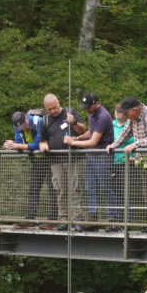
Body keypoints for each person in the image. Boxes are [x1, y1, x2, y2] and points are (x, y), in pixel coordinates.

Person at [107, 97, 147, 233]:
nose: (124, 115)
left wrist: (135, 144)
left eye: (126, 113)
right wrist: (113, 145)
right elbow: (125, 133)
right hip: (142, 159)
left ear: (134, 110)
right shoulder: (132, 118)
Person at [64, 93, 114, 230]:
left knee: (105, 187)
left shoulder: (103, 116)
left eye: (88, 106)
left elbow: (93, 141)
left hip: (102, 156)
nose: (86, 109)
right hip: (91, 157)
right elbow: (90, 132)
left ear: (96, 103)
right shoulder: (91, 113)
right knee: (90, 187)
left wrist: (73, 143)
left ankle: (113, 219)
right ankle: (92, 219)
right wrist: (77, 138)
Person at [39, 93, 87, 231]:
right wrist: (43, 146)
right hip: (55, 161)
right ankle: (63, 219)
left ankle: (77, 218)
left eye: (54, 107)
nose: (53, 111)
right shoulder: (45, 120)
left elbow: (83, 131)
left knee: (75, 188)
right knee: (60, 189)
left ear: (58, 102)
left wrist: (74, 123)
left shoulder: (70, 113)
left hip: (73, 159)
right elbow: (43, 140)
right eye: (49, 109)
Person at [4, 110, 56, 229]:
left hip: (50, 158)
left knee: (53, 189)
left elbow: (37, 144)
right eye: (20, 128)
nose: (24, 129)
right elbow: (18, 142)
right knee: (33, 189)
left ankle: (52, 220)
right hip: (37, 160)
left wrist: (17, 146)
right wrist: (12, 145)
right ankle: (29, 219)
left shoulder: (39, 122)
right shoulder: (16, 125)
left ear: (27, 118)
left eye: (24, 126)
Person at [106, 102, 136, 231]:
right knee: (115, 192)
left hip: (128, 162)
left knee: (126, 192)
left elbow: (135, 141)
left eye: (120, 110)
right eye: (116, 110)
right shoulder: (110, 125)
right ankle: (116, 221)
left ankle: (126, 222)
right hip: (113, 163)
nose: (117, 112)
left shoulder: (131, 124)